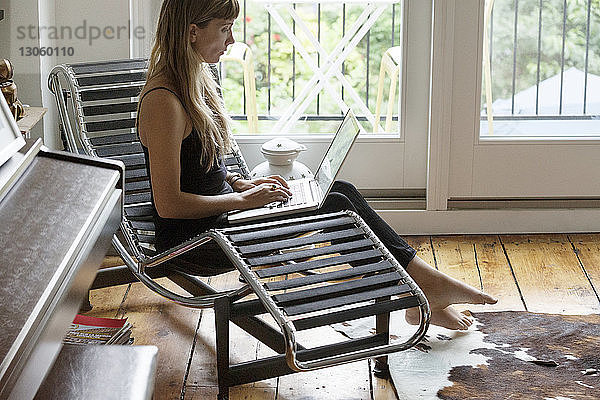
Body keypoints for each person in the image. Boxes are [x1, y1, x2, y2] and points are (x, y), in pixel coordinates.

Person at [137, 0, 497, 331]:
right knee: (337, 203)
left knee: (338, 192)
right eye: (225, 28)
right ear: (192, 32)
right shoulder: (164, 101)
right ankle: (420, 289)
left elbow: (201, 168)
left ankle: (419, 291)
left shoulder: (194, 80)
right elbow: (170, 205)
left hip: (222, 219)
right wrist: (243, 203)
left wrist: (239, 184)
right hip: (198, 241)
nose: (231, 40)